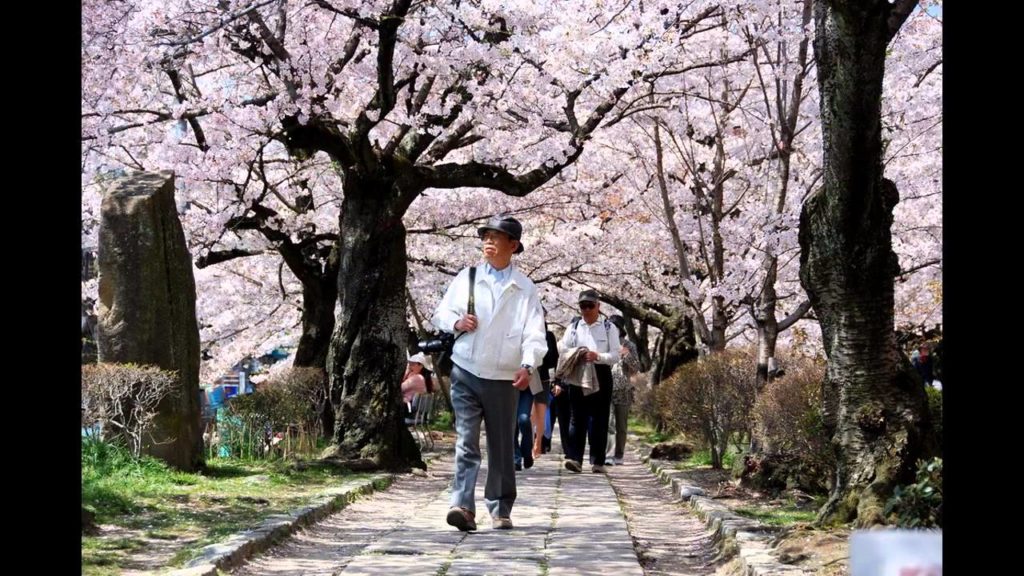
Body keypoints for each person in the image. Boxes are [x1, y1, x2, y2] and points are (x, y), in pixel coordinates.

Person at [431, 215, 547, 531]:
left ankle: (500, 507)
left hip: (504, 377)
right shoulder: (466, 277)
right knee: (466, 440)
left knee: (502, 446)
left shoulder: (525, 288)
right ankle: (462, 507)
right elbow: (441, 313)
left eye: (496, 237)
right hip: (466, 370)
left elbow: (535, 334)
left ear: (513, 245)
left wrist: (528, 365)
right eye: (486, 236)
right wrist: (456, 322)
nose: (488, 242)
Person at [557, 289, 620, 474]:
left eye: (590, 306)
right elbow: (563, 349)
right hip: (579, 372)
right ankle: (575, 458)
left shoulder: (609, 328)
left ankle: (598, 461)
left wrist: (598, 356)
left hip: (601, 373)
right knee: (577, 418)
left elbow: (616, 355)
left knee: (599, 419)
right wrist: (576, 354)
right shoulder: (573, 327)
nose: (586, 310)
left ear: (598, 306)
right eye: (583, 306)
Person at [606, 315, 640, 466]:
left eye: (614, 327)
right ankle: (608, 455)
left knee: (621, 426)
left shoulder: (629, 345)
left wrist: (626, 354)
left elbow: (636, 367)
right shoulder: (604, 343)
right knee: (608, 423)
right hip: (606, 388)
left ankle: (619, 455)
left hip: (624, 390)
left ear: (620, 329)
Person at [401, 353, 434, 419]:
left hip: (407, 409)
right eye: (409, 364)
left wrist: (406, 372)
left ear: (421, 366)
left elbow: (400, 388)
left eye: (413, 364)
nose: (410, 367)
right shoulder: (422, 378)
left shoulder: (417, 378)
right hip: (410, 408)